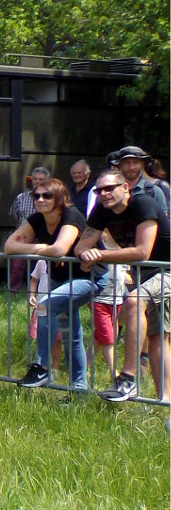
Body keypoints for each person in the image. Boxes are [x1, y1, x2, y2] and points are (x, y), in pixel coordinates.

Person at [74, 168, 171, 402]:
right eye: (99, 190)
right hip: (145, 275)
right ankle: (165, 401)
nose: (104, 194)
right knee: (158, 336)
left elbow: (142, 252)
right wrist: (84, 254)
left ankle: (128, 378)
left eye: (110, 188)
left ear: (125, 188)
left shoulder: (143, 205)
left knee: (134, 301)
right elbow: (81, 245)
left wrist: (99, 256)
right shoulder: (102, 211)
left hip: (166, 269)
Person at [5, 178, 94, 389]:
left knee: (46, 304)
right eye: (36, 196)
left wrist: (39, 247)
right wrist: (42, 247)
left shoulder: (71, 216)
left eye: (47, 196)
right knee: (71, 336)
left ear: (60, 197)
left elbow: (60, 249)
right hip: (59, 281)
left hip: (87, 279)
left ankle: (42, 367)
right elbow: (10, 246)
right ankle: (79, 391)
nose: (40, 200)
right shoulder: (37, 219)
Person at [7, 167, 50, 291]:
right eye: (35, 179)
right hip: (23, 237)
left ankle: (37, 291)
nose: (38, 182)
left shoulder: (50, 198)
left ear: (47, 180)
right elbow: (15, 216)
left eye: (41, 179)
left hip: (42, 236)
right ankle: (13, 291)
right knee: (17, 266)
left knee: (40, 266)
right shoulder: (21, 197)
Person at [91, 258, 131, 383]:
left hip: (116, 302)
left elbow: (128, 277)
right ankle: (114, 373)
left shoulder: (122, 252)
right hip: (100, 301)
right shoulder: (101, 250)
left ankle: (84, 365)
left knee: (99, 337)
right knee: (108, 338)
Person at [109, 145, 170, 214]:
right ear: (119, 165)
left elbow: (164, 219)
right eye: (127, 163)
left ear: (142, 164)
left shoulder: (153, 191)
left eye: (135, 162)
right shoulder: (108, 191)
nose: (131, 167)